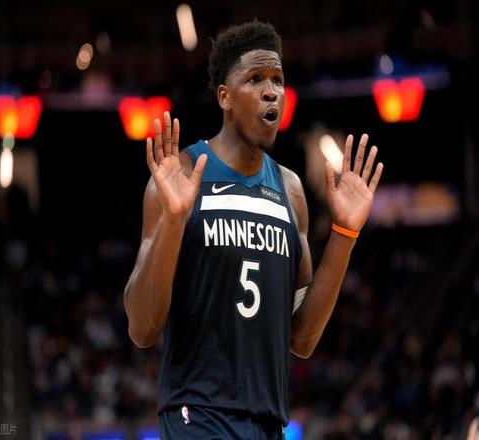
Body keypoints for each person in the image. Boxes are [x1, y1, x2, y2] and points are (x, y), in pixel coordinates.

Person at [124, 21, 383, 439]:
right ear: (224, 97)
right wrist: (173, 219)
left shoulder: (290, 190)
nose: (271, 91)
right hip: (198, 415)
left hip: (268, 423)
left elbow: (303, 338)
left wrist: (344, 234)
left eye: (278, 80)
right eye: (256, 79)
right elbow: (141, 327)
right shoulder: (180, 175)